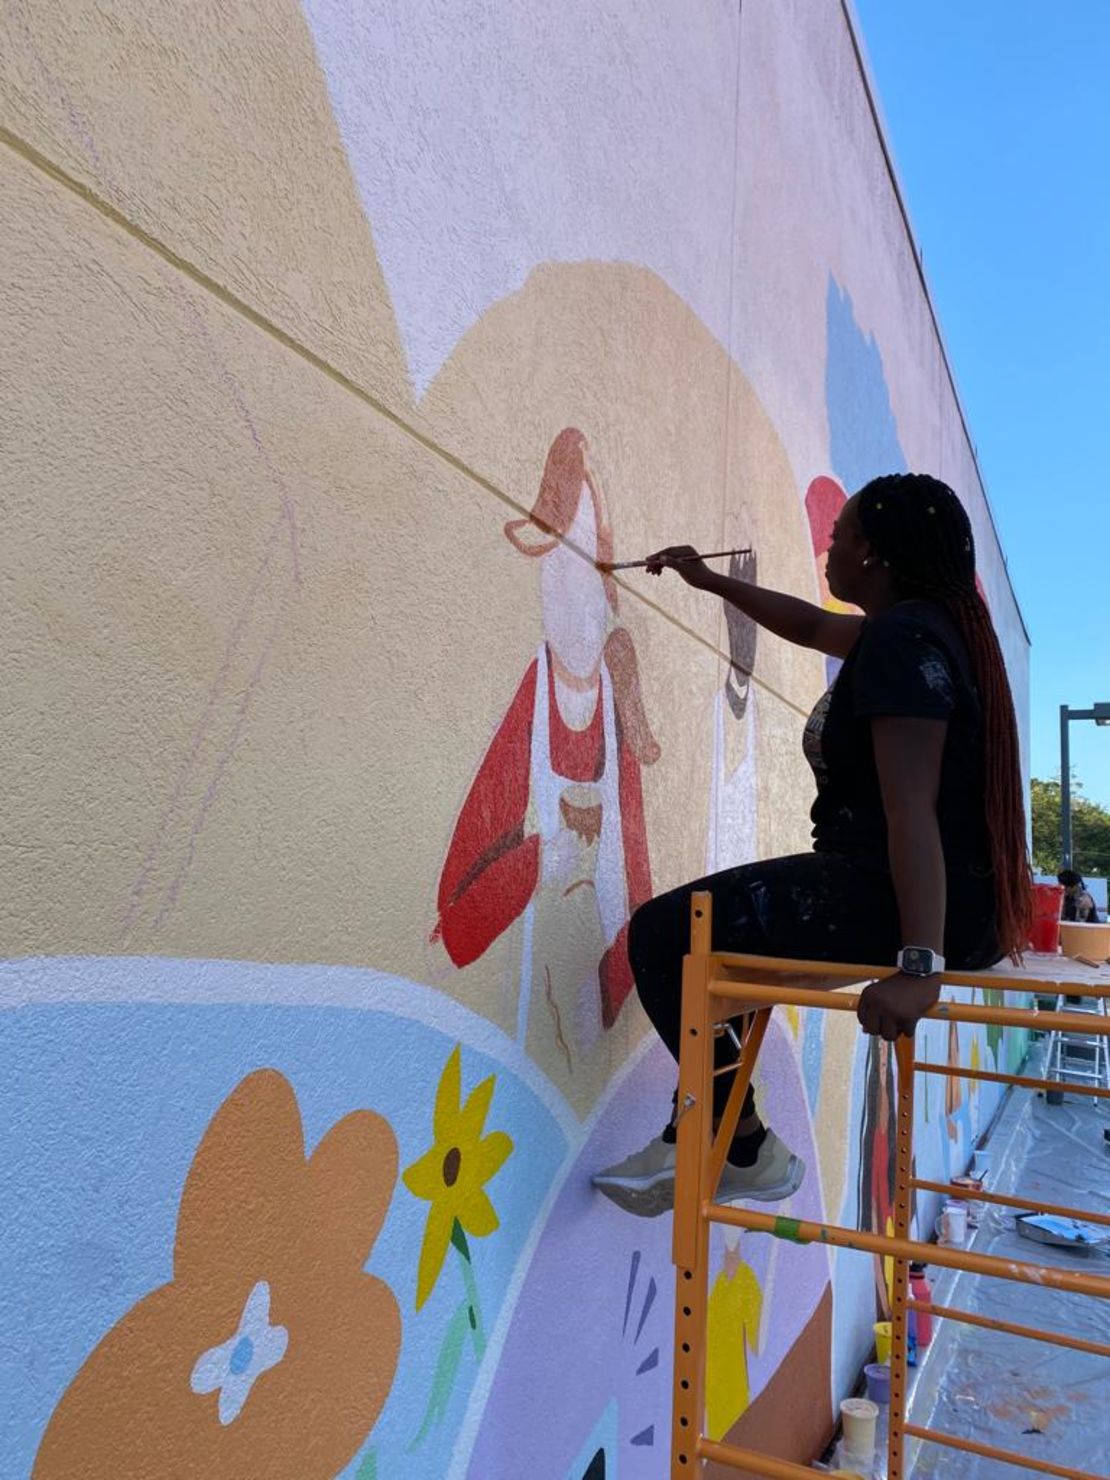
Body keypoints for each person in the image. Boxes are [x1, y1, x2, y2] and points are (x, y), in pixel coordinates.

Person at [593, 473, 1032, 1216]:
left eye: (840, 538)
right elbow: (810, 626)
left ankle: (743, 1147)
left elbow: (911, 812)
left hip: (904, 898)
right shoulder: (920, 630)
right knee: (716, 958)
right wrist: (709, 582)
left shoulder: (904, 642)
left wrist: (918, 967)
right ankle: (702, 1132)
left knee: (666, 934)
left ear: (875, 554)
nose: (828, 551)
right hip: (928, 896)